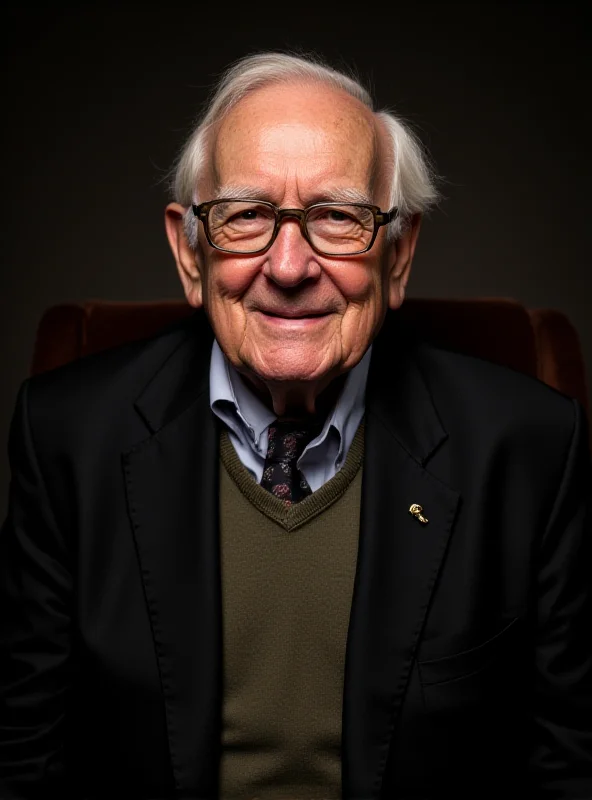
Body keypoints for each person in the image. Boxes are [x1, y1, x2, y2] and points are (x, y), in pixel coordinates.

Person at [1, 50, 591, 800]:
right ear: (190, 253)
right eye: (246, 215)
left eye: (337, 217)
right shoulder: (65, 439)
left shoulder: (531, 449)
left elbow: (568, 765)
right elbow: (24, 759)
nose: (287, 265)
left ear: (399, 255)